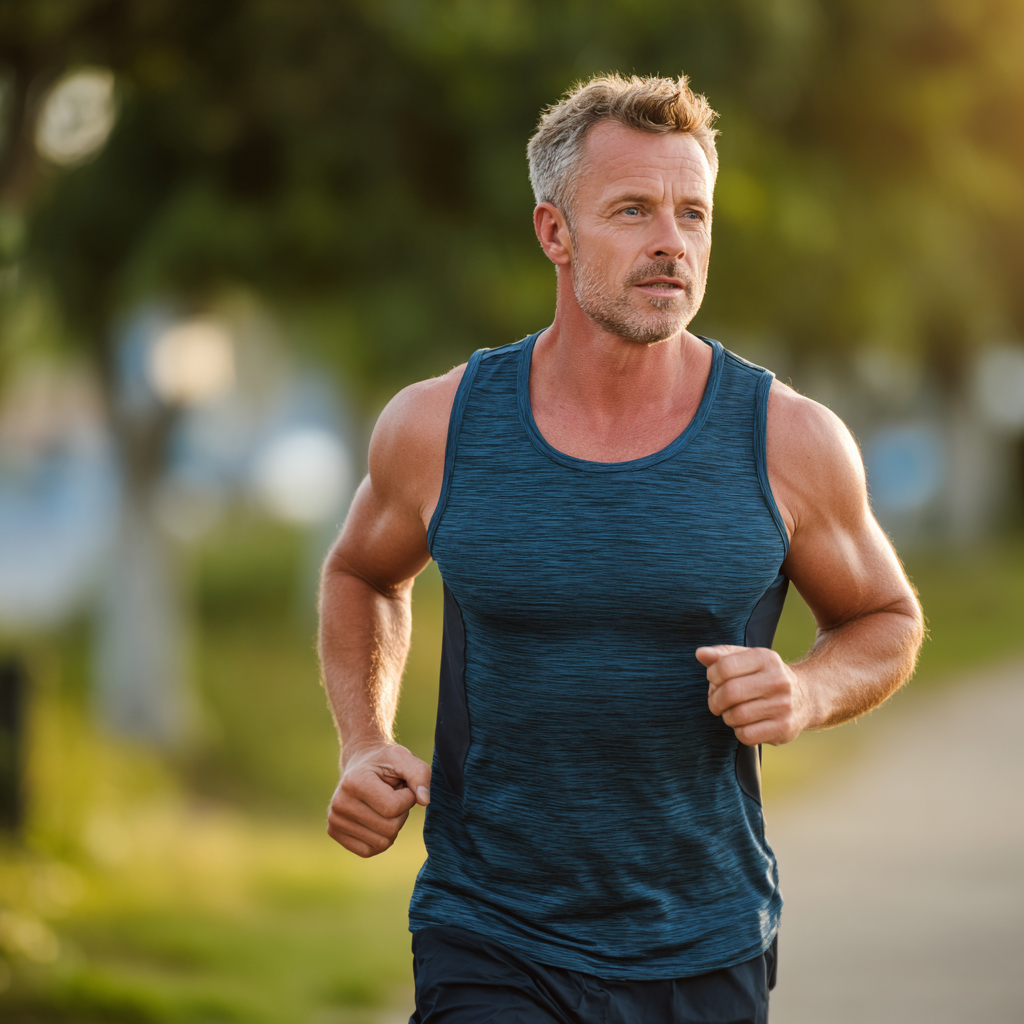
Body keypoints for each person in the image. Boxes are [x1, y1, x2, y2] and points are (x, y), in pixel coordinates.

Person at [318, 73, 924, 1024]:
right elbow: (362, 573)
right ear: (554, 232)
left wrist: (807, 691)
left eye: (693, 213)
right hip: (489, 931)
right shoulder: (439, 428)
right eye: (634, 209)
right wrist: (364, 742)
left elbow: (885, 619)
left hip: (703, 939)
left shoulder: (789, 439)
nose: (671, 242)